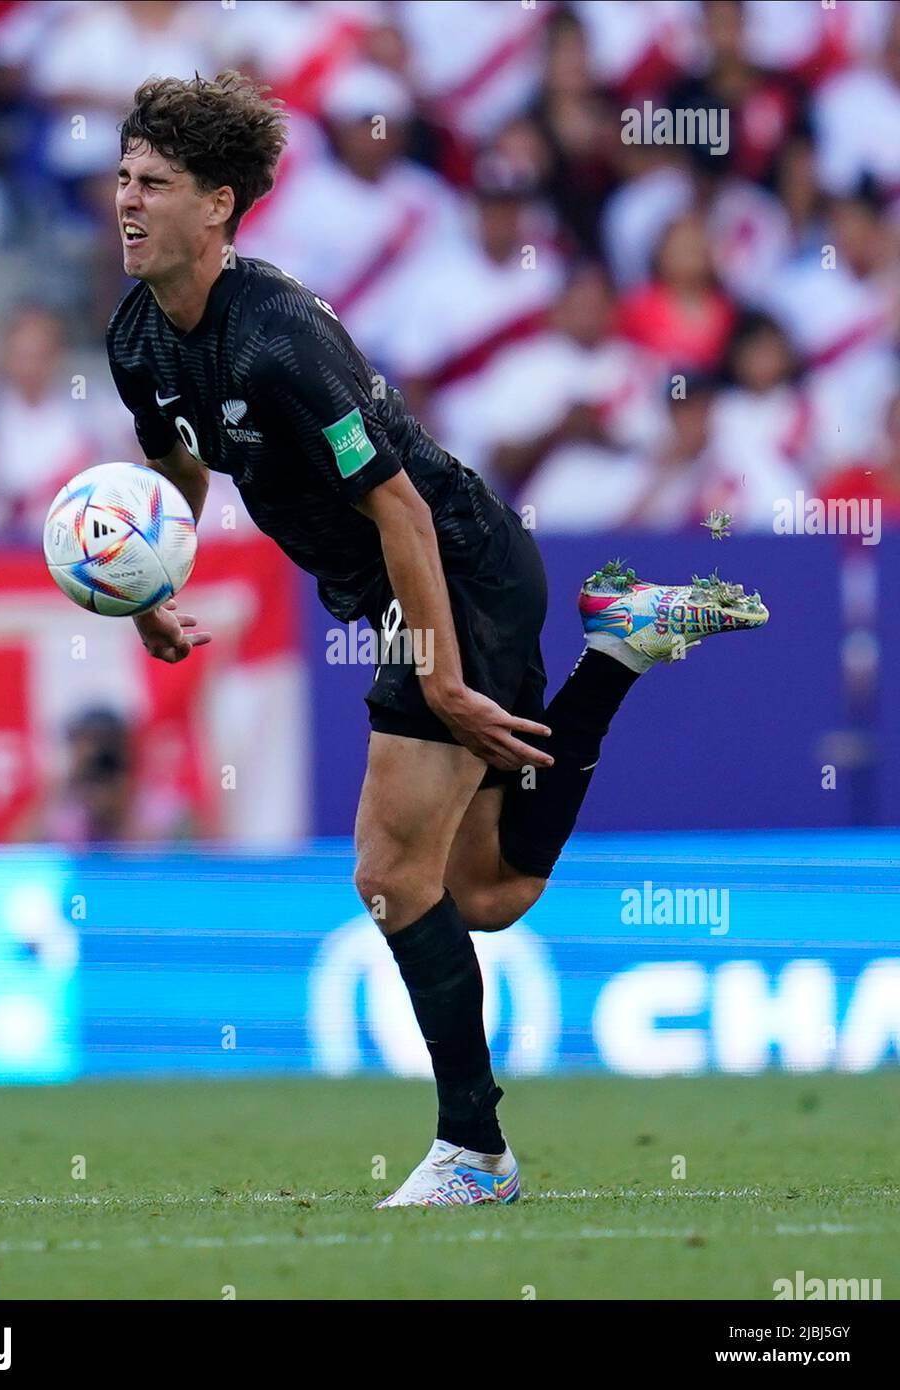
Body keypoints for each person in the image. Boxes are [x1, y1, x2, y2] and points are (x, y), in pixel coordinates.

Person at [105, 72, 769, 1208]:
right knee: (482, 893)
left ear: (218, 206)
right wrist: (151, 578)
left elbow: (401, 507)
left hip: (454, 566)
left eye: (152, 183)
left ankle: (475, 1151)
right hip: (400, 589)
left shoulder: (279, 340)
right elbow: (174, 462)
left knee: (388, 875)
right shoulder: (136, 339)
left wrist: (443, 678)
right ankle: (612, 652)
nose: (124, 200)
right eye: (119, 176)